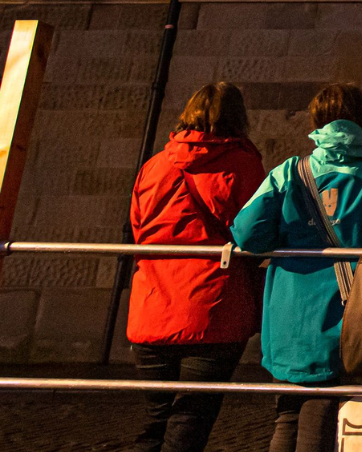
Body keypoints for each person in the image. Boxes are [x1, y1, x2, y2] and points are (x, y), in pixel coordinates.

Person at [231, 84, 362, 452]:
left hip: (288, 312)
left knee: (286, 416)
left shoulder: (288, 171)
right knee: (321, 417)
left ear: (317, 121)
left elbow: (248, 233)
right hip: (344, 311)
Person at [126, 82, 266, 452]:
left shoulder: (153, 166)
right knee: (190, 422)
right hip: (211, 311)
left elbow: (138, 229)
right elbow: (255, 232)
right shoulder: (242, 164)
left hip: (151, 308)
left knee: (154, 423)